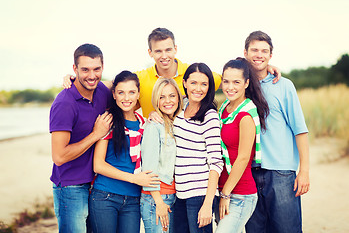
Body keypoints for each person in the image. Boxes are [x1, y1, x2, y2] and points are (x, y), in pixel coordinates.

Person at [62, 28, 281, 118]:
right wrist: (75, 82)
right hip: (156, 150)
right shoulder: (141, 78)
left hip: (189, 151)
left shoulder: (195, 75)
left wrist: (261, 68)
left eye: (168, 49)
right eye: (158, 51)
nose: (164, 55)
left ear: (176, 49)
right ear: (150, 52)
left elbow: (233, 77)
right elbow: (113, 86)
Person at [243, 31, 310, 233]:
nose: (259, 55)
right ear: (245, 52)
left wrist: (304, 171)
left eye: (264, 51)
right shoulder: (239, 86)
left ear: (271, 55)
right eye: (254, 50)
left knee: (287, 229)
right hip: (249, 173)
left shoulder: (283, 85)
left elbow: (300, 130)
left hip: (281, 172)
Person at [49, 43, 113, 232]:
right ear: (74, 69)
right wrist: (96, 135)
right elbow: (59, 156)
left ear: (103, 67)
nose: (91, 76)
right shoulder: (64, 103)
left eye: (97, 69)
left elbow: (129, 86)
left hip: (98, 183)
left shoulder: (102, 91)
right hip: (71, 186)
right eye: (85, 70)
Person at [89, 71, 160, 233]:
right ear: (113, 94)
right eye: (121, 92)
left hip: (133, 200)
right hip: (105, 196)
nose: (126, 98)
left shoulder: (145, 124)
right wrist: (134, 179)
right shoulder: (108, 121)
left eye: (131, 92)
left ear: (138, 94)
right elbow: (98, 165)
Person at [215, 58, 269, 233]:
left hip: (240, 194)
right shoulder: (224, 108)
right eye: (226, 81)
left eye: (236, 82)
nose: (230, 87)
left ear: (246, 83)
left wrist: (226, 194)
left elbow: (244, 158)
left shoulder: (245, 115)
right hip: (223, 190)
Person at [173, 63, 224, 233]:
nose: (198, 89)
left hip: (200, 193)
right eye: (193, 83)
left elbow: (216, 162)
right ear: (185, 83)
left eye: (204, 84)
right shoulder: (179, 106)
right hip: (179, 193)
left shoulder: (209, 116)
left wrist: (208, 203)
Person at [140, 78, 183, 233]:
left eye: (172, 96)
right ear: (156, 100)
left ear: (179, 97)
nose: (167, 101)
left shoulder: (176, 123)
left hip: (172, 195)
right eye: (161, 97)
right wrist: (158, 202)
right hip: (156, 198)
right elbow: (148, 168)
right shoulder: (153, 126)